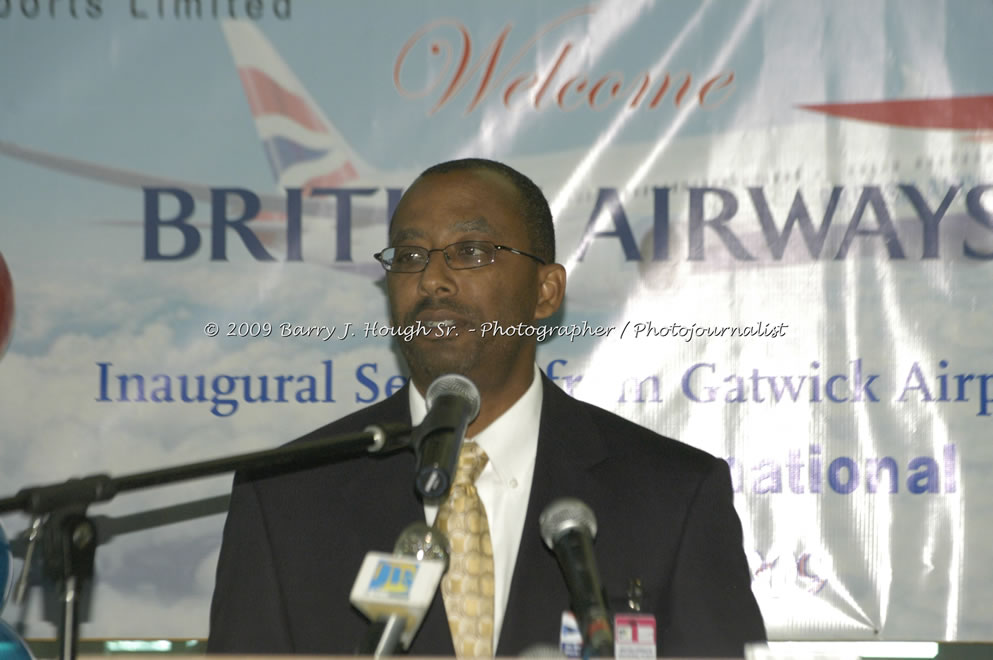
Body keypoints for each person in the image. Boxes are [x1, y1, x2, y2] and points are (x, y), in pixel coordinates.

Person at [207, 158, 766, 657]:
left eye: (470, 252)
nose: (431, 279)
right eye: (409, 255)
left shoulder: (673, 495)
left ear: (545, 292)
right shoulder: (287, 496)